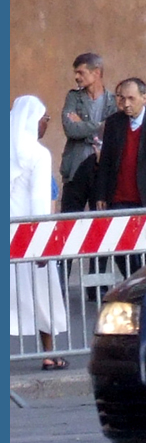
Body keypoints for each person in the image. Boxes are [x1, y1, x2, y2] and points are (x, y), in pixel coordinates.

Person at [11, 96, 69, 369]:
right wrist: (44, 241)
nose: (47, 123)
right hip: (30, 236)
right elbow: (40, 203)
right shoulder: (38, 154)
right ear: (35, 120)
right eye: (45, 118)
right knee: (42, 294)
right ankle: (48, 353)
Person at [95, 78, 146, 210]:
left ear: (144, 98)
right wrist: (101, 195)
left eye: (131, 98)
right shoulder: (113, 123)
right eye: (122, 98)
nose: (126, 104)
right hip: (117, 200)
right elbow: (106, 162)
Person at [60, 52, 117, 184]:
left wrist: (83, 124)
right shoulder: (73, 97)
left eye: (81, 72)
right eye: (75, 72)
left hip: (103, 168)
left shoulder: (113, 101)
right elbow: (70, 129)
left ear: (96, 72)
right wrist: (100, 126)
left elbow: (113, 133)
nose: (76, 77)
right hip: (74, 168)